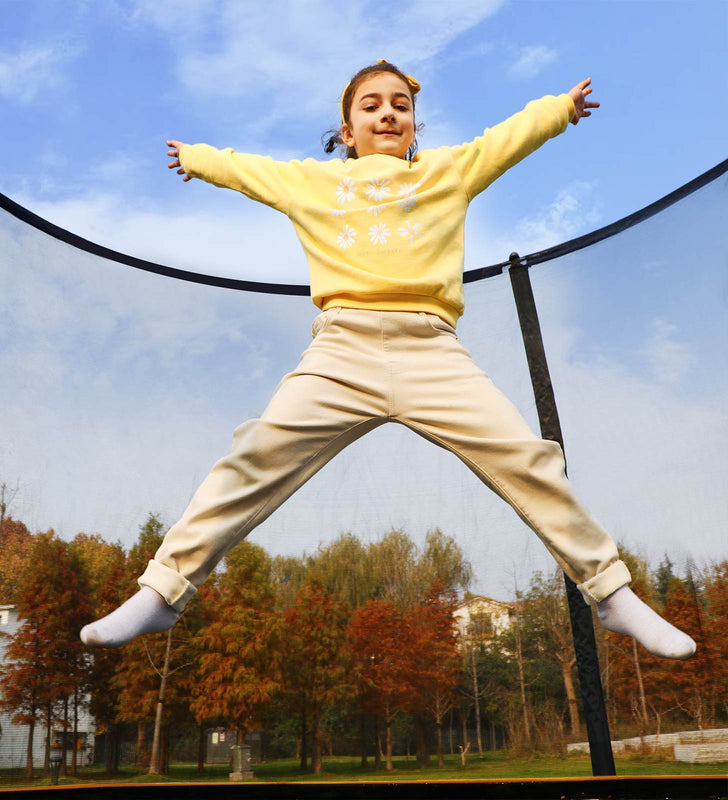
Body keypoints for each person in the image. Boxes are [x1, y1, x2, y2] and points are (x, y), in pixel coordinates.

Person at [80, 61, 695, 660]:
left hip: (432, 349)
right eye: (371, 105)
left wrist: (558, 110)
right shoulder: (313, 183)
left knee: (529, 460)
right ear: (347, 131)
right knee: (253, 456)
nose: (388, 113)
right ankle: (162, 590)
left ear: (414, 126)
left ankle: (611, 592)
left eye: (401, 105)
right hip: (340, 350)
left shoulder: (445, 172)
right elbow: (248, 170)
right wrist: (196, 159)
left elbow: (503, 142)